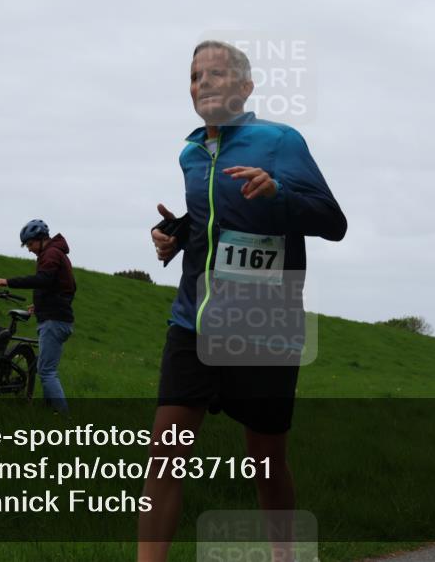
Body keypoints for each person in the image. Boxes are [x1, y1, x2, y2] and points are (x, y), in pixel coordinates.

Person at [138, 40, 347, 562]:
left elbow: (333, 222)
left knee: (267, 461)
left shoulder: (279, 141)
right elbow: (212, 224)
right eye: (194, 77)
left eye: (215, 74)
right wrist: (177, 236)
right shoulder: (189, 152)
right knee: (163, 456)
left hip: (264, 329)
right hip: (193, 323)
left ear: (246, 87)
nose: (203, 83)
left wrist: (278, 192)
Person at [0, 219, 76, 413]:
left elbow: (43, 280)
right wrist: (40, 305)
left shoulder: (51, 253)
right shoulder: (56, 253)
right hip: (56, 318)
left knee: (46, 371)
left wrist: (8, 281)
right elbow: (67, 288)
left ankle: (64, 418)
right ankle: (50, 413)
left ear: (40, 239)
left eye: (30, 244)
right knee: (46, 370)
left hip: (54, 322)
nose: (29, 249)